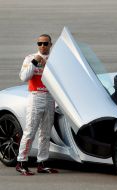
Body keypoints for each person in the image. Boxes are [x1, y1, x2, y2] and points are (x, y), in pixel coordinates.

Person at [16, 34, 58, 176]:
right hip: (35, 97)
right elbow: (23, 77)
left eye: (45, 44)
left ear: (50, 45)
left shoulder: (55, 60)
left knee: (45, 132)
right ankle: (21, 162)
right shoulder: (30, 58)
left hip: (50, 98)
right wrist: (35, 62)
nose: (42, 46)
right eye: (39, 43)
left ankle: (42, 163)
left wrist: (48, 66)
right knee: (30, 131)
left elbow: (59, 79)